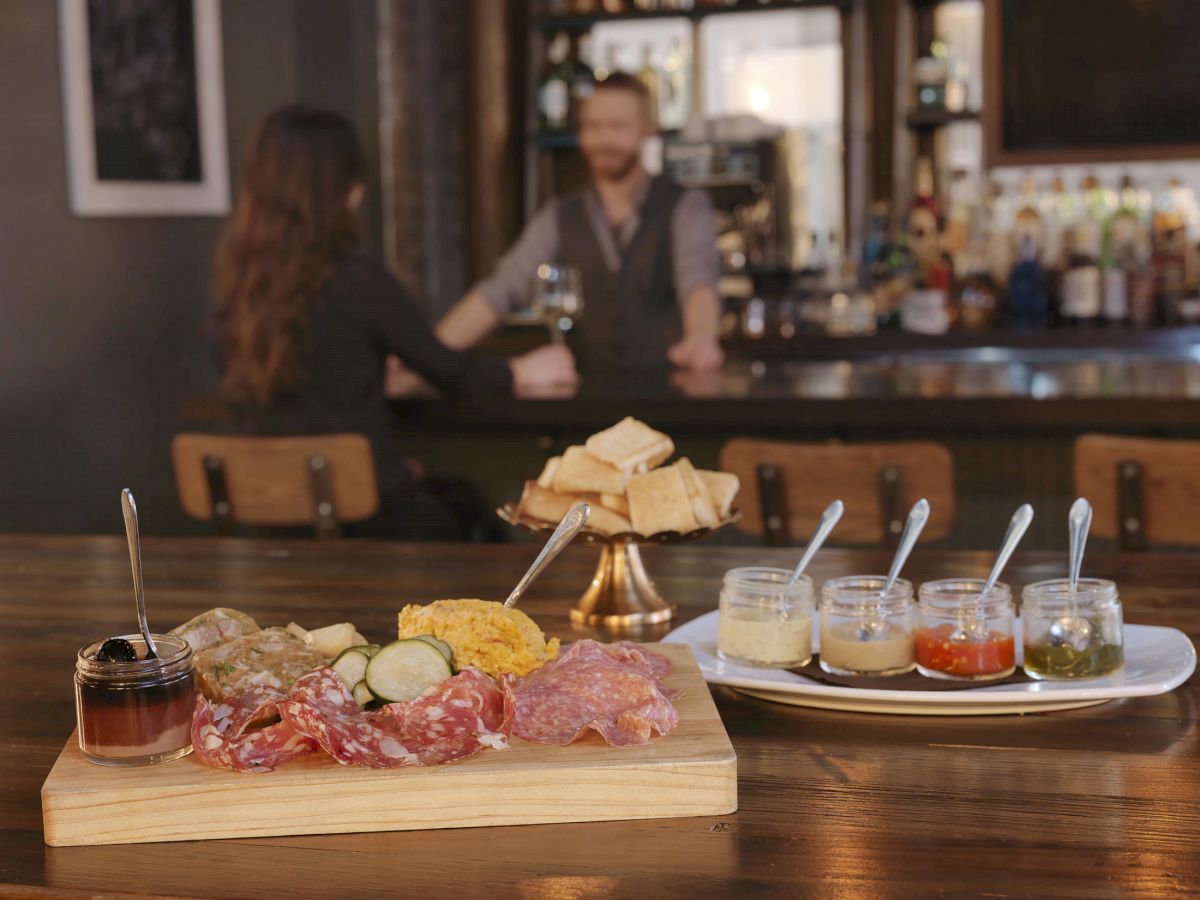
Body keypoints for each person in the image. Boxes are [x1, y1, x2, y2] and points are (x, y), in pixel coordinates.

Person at [213, 104, 575, 540]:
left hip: (269, 524)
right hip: (366, 518)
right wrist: (519, 370)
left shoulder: (237, 286)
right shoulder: (356, 279)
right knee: (473, 510)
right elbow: (447, 370)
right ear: (347, 191)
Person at [436, 71, 724, 373]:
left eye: (617, 126)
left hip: (670, 395)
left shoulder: (685, 206)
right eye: (593, 126)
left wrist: (701, 339)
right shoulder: (560, 215)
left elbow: (699, 282)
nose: (604, 139)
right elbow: (500, 291)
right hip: (589, 400)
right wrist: (428, 358)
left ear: (648, 131)